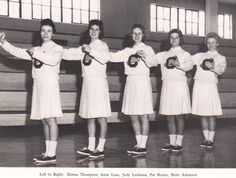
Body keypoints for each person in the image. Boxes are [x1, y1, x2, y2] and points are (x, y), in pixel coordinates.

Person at [83, 24, 155, 155]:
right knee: (132, 115)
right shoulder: (127, 51)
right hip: (130, 82)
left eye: (139, 33)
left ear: (143, 35)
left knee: (143, 115)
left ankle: (143, 145)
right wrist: (95, 51)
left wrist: (145, 56)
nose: (137, 36)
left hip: (143, 82)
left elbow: (154, 62)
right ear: (131, 35)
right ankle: (138, 144)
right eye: (134, 33)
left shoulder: (148, 48)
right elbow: (112, 57)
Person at [0, 19, 63, 163]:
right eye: (43, 30)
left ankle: (52, 154)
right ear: (40, 33)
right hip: (39, 85)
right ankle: (48, 152)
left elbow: (52, 60)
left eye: (48, 31)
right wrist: (3, 42)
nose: (45, 33)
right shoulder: (37, 49)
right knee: (44, 120)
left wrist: (34, 54)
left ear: (53, 34)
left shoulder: (57, 48)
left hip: (49, 84)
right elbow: (18, 52)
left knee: (50, 119)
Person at [63, 19, 111, 158]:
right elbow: (69, 53)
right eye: (91, 28)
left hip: (99, 83)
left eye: (97, 29)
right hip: (88, 83)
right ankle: (91, 147)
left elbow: (105, 58)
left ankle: (100, 148)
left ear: (100, 31)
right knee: (89, 116)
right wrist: (58, 50)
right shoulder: (84, 47)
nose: (93, 31)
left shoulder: (103, 45)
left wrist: (91, 50)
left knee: (101, 117)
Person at [141, 29, 193, 152]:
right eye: (171, 37)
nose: (174, 40)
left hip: (179, 86)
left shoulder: (185, 54)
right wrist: (144, 56)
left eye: (176, 37)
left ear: (180, 39)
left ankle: (178, 143)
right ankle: (171, 142)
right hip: (167, 86)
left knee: (179, 116)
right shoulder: (163, 54)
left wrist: (179, 64)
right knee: (169, 116)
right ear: (169, 40)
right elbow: (152, 61)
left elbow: (189, 65)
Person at [191, 32, 226, 149]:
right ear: (206, 44)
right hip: (199, 85)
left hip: (210, 86)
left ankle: (210, 140)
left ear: (217, 44)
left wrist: (212, 66)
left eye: (213, 43)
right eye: (209, 42)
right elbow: (187, 61)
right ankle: (206, 139)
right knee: (203, 114)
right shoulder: (199, 55)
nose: (211, 45)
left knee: (211, 114)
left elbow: (221, 71)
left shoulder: (221, 57)